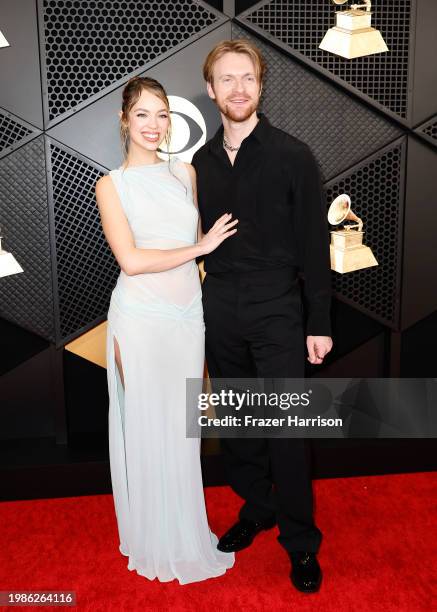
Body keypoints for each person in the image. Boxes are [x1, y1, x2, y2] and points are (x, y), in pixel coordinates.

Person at [192, 40, 333, 593]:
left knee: (286, 429)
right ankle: (258, 507)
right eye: (226, 79)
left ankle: (301, 542)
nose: (238, 88)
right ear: (210, 90)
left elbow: (314, 244)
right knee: (238, 422)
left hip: (278, 308)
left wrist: (317, 321)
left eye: (247, 77)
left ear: (260, 84)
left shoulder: (293, 155)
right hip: (220, 304)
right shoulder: (200, 163)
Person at [95, 76, 237, 584]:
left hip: (186, 318)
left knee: (182, 431)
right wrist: (200, 249)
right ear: (124, 120)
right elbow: (131, 261)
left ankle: (184, 533)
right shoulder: (111, 185)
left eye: (162, 115)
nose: (154, 125)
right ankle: (153, 537)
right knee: (149, 425)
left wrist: (207, 251)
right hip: (142, 318)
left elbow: (192, 239)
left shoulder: (185, 172)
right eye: (143, 115)